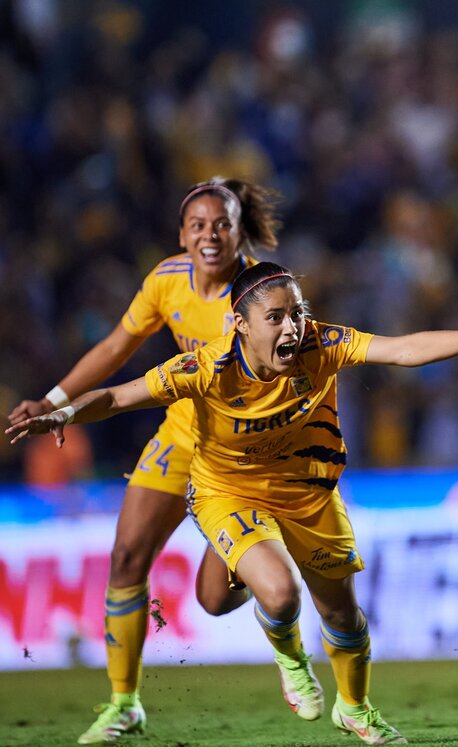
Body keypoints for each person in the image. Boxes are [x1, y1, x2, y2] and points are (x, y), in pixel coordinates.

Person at [8, 261, 458, 745]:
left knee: (339, 612)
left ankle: (355, 708)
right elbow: (120, 395)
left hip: (309, 492)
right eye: (276, 317)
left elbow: (400, 349)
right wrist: (63, 414)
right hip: (228, 490)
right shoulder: (208, 368)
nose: (292, 327)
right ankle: (291, 662)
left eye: (297, 314)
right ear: (240, 325)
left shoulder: (321, 342)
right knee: (282, 592)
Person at [7, 177, 280, 744]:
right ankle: (124, 704)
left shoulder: (260, 294)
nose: (210, 235)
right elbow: (114, 347)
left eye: (221, 224)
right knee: (127, 555)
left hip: (239, 455)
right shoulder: (166, 280)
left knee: (211, 598)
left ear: (238, 232)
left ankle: (263, 551)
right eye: (199, 225)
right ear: (182, 234)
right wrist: (54, 401)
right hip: (182, 436)